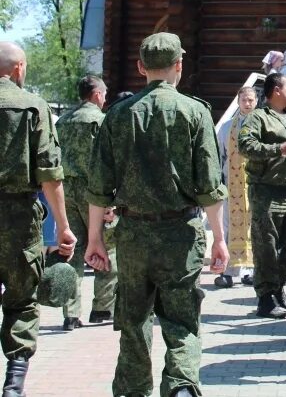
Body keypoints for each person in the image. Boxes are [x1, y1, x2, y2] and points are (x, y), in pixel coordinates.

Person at [84, 32, 228, 397]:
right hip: (181, 232)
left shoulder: (117, 114)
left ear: (140, 67)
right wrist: (219, 239)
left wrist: (95, 239)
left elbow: (99, 185)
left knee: (133, 321)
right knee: (181, 321)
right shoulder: (196, 111)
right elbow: (209, 185)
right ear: (180, 65)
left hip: (132, 233)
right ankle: (180, 386)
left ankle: (133, 391)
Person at [0, 42, 75, 397]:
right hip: (19, 218)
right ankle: (13, 387)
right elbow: (50, 174)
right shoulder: (33, 106)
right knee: (21, 300)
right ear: (18, 69)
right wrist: (63, 226)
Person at [238, 73, 286, 319]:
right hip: (266, 190)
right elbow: (245, 146)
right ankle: (265, 298)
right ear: (276, 91)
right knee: (266, 246)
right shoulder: (259, 117)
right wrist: (277, 149)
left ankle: (279, 284)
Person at [55, 75, 117, 330]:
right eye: (103, 95)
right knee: (106, 246)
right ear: (97, 95)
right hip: (94, 192)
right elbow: (108, 160)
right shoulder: (100, 121)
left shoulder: (63, 121)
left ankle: (70, 314)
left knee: (72, 250)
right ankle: (102, 308)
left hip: (66, 190)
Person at [214, 86, 257, 289]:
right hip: (231, 184)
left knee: (252, 228)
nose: (247, 104)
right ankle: (228, 272)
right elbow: (219, 156)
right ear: (238, 101)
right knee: (229, 227)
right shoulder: (226, 128)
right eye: (244, 100)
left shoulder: (262, 125)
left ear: (256, 101)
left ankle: (250, 271)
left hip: (254, 184)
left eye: (250, 100)